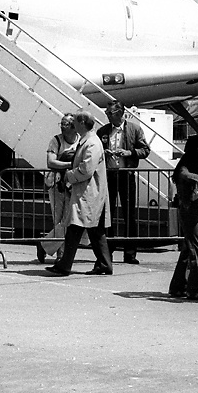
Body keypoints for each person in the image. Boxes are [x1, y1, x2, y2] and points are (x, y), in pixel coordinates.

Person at [45, 111, 113, 276]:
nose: (72, 125)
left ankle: (65, 265)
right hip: (86, 193)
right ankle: (103, 264)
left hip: (88, 194)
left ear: (82, 123)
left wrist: (69, 175)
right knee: (93, 231)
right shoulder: (88, 141)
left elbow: (86, 169)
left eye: (75, 121)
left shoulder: (91, 143)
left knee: (77, 228)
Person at [97, 100, 150, 264]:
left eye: (110, 113)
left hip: (126, 174)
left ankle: (130, 253)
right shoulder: (103, 131)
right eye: (106, 113)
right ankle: (108, 252)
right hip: (109, 175)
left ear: (120, 113)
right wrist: (104, 153)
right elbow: (95, 150)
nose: (108, 116)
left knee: (129, 214)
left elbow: (145, 150)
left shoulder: (134, 129)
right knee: (108, 214)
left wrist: (129, 152)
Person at [168, 136, 198, 300]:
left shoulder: (194, 165)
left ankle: (178, 286)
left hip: (192, 209)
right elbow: (185, 176)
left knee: (188, 250)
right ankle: (194, 288)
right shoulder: (185, 167)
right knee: (196, 250)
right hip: (188, 211)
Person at [37, 114, 79, 262]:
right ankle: (61, 255)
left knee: (68, 220)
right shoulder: (56, 141)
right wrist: (70, 164)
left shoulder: (81, 141)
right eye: (61, 123)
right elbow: (51, 162)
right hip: (57, 185)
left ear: (74, 126)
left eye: (66, 124)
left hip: (74, 185)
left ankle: (44, 245)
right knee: (59, 219)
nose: (62, 126)